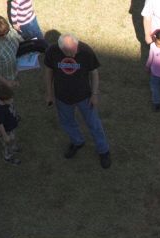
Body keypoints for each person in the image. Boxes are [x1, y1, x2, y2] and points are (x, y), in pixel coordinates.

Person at [43, 34, 111, 169]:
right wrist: (50, 93)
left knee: (94, 124)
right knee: (67, 122)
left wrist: (94, 94)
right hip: (62, 97)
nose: (73, 54)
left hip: (84, 96)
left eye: (75, 50)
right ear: (61, 48)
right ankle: (77, 141)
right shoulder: (52, 51)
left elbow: (94, 73)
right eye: (69, 52)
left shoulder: (85, 51)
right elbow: (49, 71)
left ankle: (103, 151)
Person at [0, 84, 21, 165]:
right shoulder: (0, 111)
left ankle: (13, 146)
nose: (12, 100)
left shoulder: (6, 102)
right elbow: (0, 124)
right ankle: (8, 157)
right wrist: (5, 135)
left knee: (13, 137)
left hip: (12, 125)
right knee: (8, 143)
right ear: (2, 100)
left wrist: (16, 116)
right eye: (10, 99)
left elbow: (11, 109)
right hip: (7, 129)